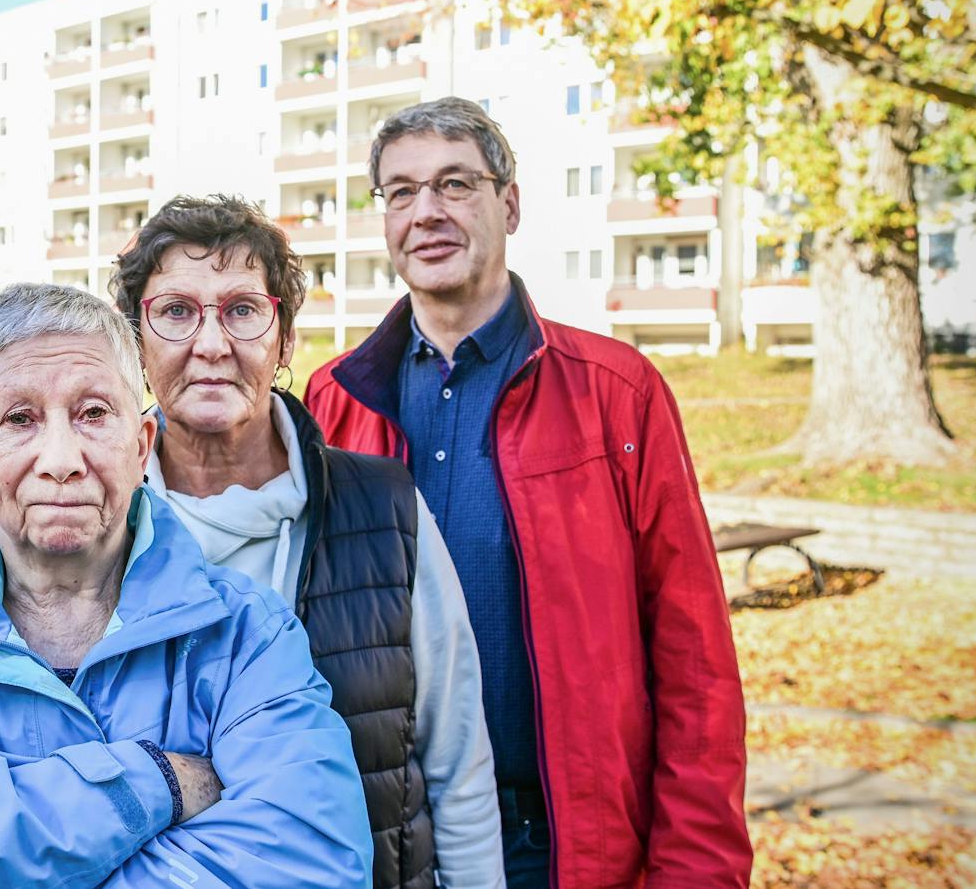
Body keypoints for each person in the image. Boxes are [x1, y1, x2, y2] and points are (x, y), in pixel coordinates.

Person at [304, 98, 752, 888]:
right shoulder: (333, 402)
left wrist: (696, 868)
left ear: (509, 203)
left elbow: (695, 663)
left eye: (454, 184)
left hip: (560, 848)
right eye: (401, 192)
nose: (427, 212)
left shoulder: (619, 395)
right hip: (382, 847)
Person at [0, 283, 373, 889]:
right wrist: (158, 782)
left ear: (142, 445)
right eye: (20, 419)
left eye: (93, 413)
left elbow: (312, 865)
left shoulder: (247, 633)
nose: (61, 457)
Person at [113, 195, 504, 889]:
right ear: (137, 343)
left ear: (286, 339)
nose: (211, 344)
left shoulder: (385, 509)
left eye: (242, 310)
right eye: (175, 312)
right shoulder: (92, 527)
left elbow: (458, 765)